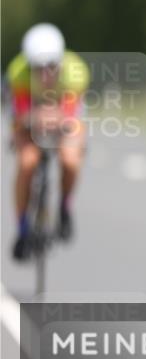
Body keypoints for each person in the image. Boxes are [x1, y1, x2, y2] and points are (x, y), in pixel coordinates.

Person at [6, 23, 90, 261]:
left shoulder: (76, 71)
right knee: (27, 163)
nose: (45, 75)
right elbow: (20, 115)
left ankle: (65, 207)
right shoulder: (18, 72)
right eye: (38, 68)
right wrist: (32, 119)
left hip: (64, 117)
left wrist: (56, 118)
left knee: (71, 160)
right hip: (30, 117)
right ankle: (22, 229)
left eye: (51, 67)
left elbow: (72, 115)